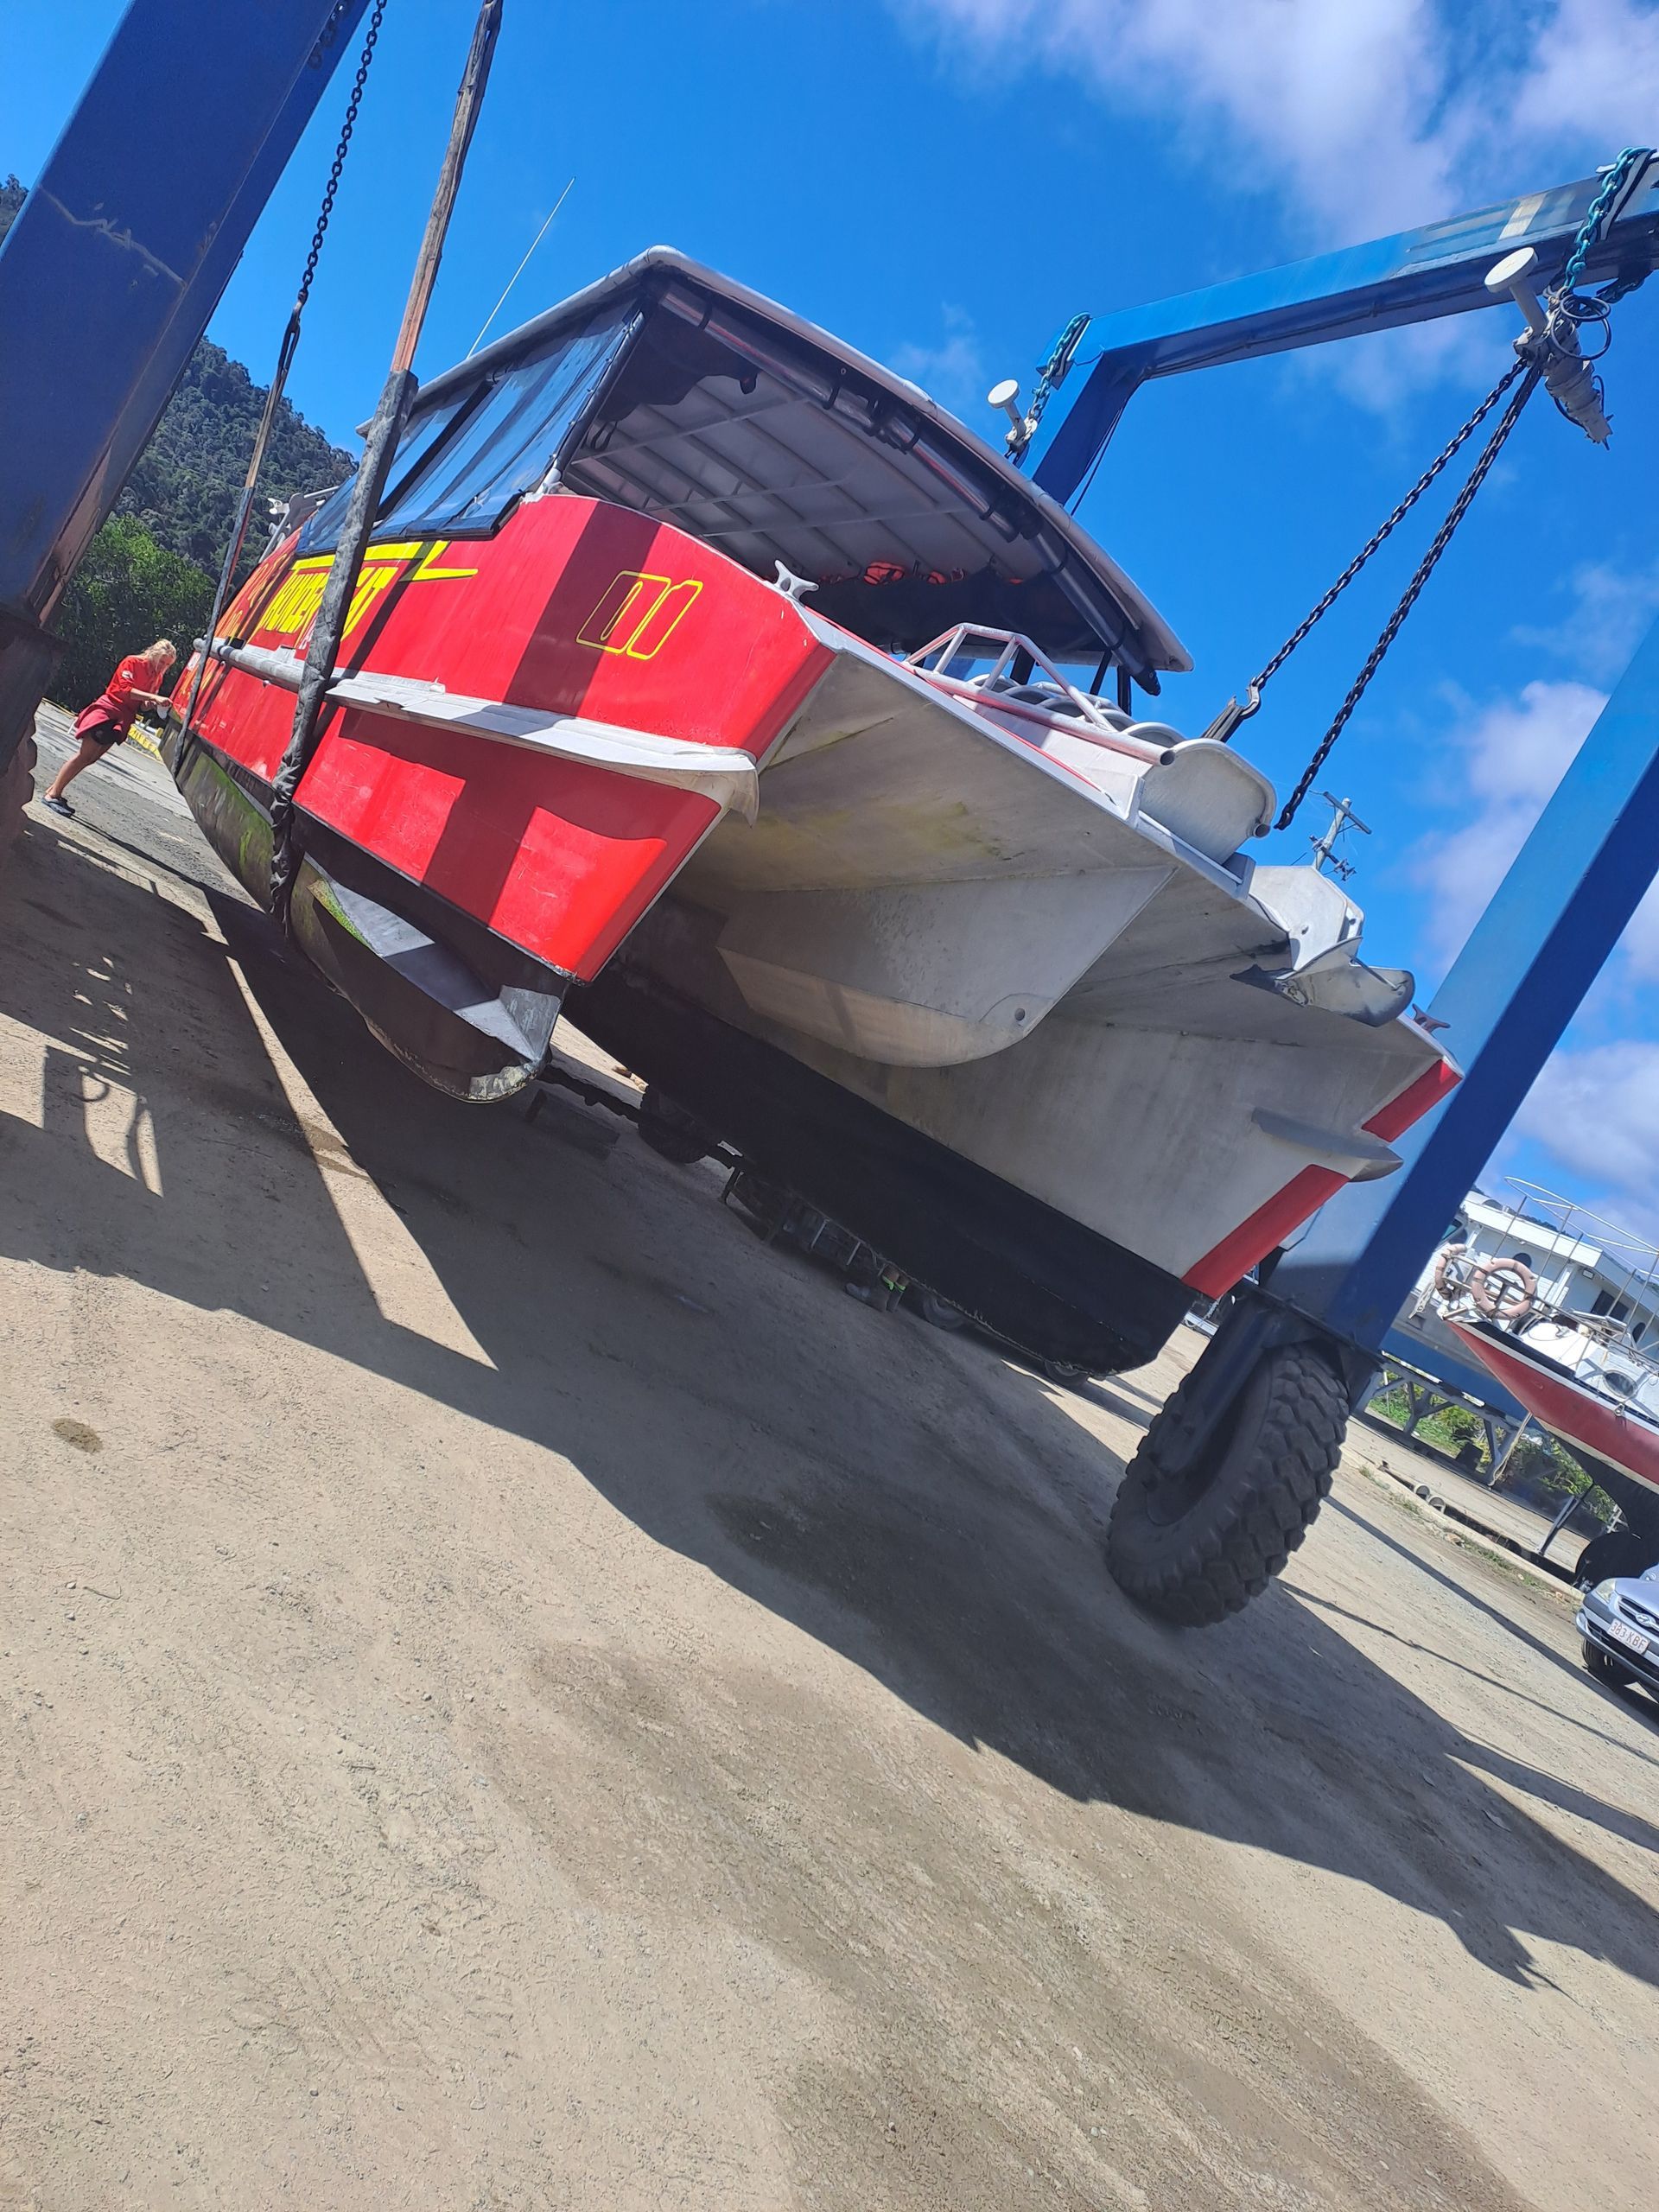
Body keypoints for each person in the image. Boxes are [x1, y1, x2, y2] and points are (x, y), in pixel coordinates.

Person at [41, 638, 178, 818]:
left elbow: (142, 705)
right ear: (153, 654)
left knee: (92, 758)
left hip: (124, 717)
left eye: (167, 665)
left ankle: (54, 790)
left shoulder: (157, 677)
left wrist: (151, 703)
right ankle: (52, 794)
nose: (163, 667)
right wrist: (153, 697)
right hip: (108, 710)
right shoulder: (132, 662)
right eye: (162, 662)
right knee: (84, 755)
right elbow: (124, 689)